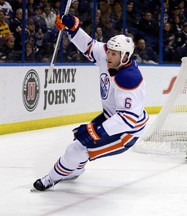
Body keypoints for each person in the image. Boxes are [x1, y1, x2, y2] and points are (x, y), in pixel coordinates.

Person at [33, 13, 149, 191]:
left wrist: (98, 131)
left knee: (76, 149)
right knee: (79, 138)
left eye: (114, 54)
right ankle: (74, 171)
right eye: (109, 51)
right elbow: (89, 46)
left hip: (127, 132)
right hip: (112, 117)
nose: (108, 56)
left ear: (125, 57)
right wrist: (72, 28)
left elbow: (128, 119)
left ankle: (51, 178)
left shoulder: (129, 78)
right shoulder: (108, 55)